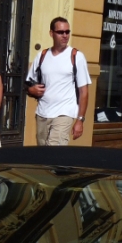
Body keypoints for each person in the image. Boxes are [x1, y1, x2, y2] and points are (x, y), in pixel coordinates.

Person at [25, 17, 91, 146]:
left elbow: (84, 91)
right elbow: (29, 83)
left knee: (55, 151)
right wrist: (30, 90)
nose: (65, 35)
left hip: (64, 113)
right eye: (61, 32)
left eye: (67, 32)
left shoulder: (76, 56)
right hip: (42, 113)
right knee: (43, 153)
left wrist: (80, 120)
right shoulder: (42, 56)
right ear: (51, 33)